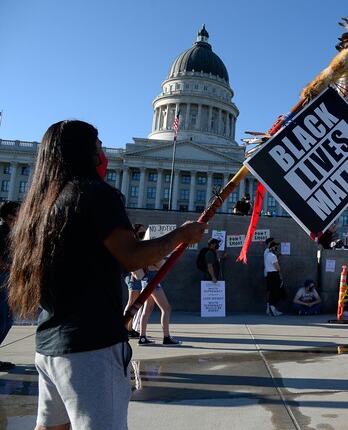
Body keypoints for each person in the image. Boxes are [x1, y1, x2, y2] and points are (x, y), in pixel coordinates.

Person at [7, 120, 207, 430]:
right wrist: (181, 235)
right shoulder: (95, 194)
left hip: (49, 343)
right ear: (85, 151)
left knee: (51, 427)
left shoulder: (38, 207)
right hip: (91, 348)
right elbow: (132, 256)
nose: (103, 152)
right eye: (98, 145)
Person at [0, 200, 20, 371]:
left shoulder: (11, 233)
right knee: (2, 320)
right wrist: (15, 268)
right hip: (2, 280)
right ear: (9, 216)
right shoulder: (2, 233)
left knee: (8, 320)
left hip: (7, 280)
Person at [124, 223, 146, 339]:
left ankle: (129, 328)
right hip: (133, 275)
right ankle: (126, 328)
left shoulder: (137, 243)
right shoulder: (133, 243)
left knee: (133, 303)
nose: (143, 233)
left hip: (136, 275)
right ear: (135, 232)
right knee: (132, 303)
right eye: (141, 231)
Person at [264, 240, 284, 316]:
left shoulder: (268, 255)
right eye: (275, 246)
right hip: (274, 275)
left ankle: (272, 308)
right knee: (276, 291)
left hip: (269, 274)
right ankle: (272, 308)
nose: (276, 247)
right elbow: (278, 267)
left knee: (272, 291)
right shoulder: (273, 256)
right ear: (272, 247)